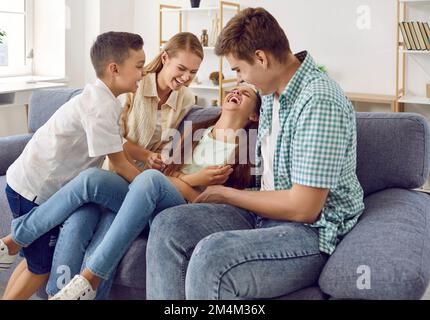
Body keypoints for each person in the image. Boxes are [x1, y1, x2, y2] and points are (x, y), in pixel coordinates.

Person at [145, 7, 365, 300]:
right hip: (262, 214)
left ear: (261, 58)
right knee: (169, 225)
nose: (239, 79)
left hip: (310, 231)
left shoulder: (318, 101)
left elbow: (304, 207)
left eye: (238, 70)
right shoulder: (273, 95)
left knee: (212, 257)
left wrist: (224, 193)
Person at [5, 85, 261, 300]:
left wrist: (188, 184)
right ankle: (19, 240)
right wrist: (193, 179)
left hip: (184, 210)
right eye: (235, 87)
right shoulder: (196, 131)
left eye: (246, 93)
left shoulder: (245, 149)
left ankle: (91, 276)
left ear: (254, 116)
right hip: (153, 193)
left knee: (147, 180)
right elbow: (168, 176)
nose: (236, 91)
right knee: (93, 179)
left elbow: (214, 204)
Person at [42, 32, 205, 300]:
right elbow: (114, 141)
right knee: (78, 225)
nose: (186, 77)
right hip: (118, 175)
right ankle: (57, 293)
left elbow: (174, 144)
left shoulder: (187, 99)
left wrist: (165, 160)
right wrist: (143, 153)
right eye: (182, 68)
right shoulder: (133, 86)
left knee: (106, 236)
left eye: (194, 72)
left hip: (144, 185)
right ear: (165, 58)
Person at [0, 31, 145, 300]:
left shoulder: (99, 98)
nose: (142, 73)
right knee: (40, 269)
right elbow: (120, 164)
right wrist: (146, 192)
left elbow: (116, 143)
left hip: (24, 182)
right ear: (114, 69)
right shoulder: (101, 106)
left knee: (33, 261)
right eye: (138, 66)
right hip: (35, 190)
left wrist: (145, 156)